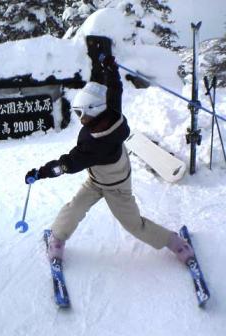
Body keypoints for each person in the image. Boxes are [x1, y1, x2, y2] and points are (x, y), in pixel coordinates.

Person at [25, 56, 194, 265]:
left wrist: (40, 173)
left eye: (80, 113)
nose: (79, 118)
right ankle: (57, 238)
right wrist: (110, 69)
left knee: (134, 225)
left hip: (117, 188)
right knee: (75, 208)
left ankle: (174, 242)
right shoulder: (112, 112)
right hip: (96, 181)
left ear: (93, 111)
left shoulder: (95, 146)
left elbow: (66, 165)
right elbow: (115, 89)